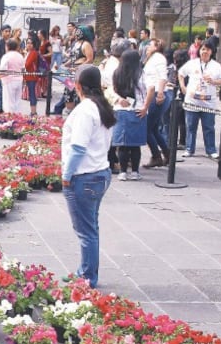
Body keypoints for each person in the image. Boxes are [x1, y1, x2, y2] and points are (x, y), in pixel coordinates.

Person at [61, 65, 116, 289]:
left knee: (86, 231)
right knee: (90, 227)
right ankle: (86, 270)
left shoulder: (85, 110)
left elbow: (78, 147)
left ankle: (87, 277)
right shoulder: (101, 106)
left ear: (79, 86)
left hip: (84, 176)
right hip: (99, 172)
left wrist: (66, 175)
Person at [178, 41, 221, 159]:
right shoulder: (192, 63)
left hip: (208, 102)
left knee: (208, 127)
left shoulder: (216, 66)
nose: (205, 52)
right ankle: (189, 149)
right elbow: (181, 73)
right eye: (203, 49)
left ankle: (211, 150)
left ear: (212, 52)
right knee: (191, 126)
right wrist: (183, 86)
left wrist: (213, 81)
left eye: (207, 50)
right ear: (199, 51)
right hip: (192, 101)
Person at [109, 49, 151, 181]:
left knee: (122, 144)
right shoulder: (141, 74)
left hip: (120, 110)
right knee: (135, 144)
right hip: (137, 111)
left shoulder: (117, 73)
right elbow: (151, 89)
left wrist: (119, 100)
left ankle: (122, 172)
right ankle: (135, 171)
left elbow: (112, 89)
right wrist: (145, 107)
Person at [141, 40, 171, 168]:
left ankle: (156, 155)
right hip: (154, 93)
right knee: (153, 128)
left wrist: (159, 92)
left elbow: (162, 76)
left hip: (157, 94)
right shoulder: (152, 58)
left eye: (151, 45)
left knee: (146, 128)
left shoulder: (158, 58)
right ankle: (166, 152)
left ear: (157, 47)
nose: (148, 47)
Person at [0, 39, 25, 114]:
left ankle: (9, 120)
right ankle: (18, 118)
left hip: (8, 80)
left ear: (7, 47)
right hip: (19, 80)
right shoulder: (20, 56)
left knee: (8, 102)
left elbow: (3, 69)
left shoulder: (6, 56)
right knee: (17, 101)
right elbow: (23, 69)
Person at [23, 35, 41, 116]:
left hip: (31, 76)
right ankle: (33, 111)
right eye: (27, 43)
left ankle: (33, 112)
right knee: (31, 93)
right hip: (30, 76)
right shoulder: (29, 52)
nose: (29, 45)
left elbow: (27, 64)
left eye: (31, 43)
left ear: (34, 44)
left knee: (32, 94)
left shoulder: (33, 53)